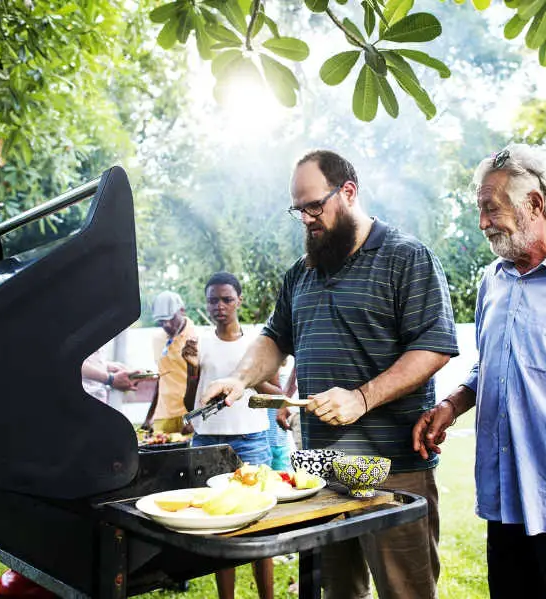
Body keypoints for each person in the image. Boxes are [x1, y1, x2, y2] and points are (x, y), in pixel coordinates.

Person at [199, 150, 459, 599]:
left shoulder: (407, 257)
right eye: (298, 209)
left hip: (392, 468)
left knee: (406, 591)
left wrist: (361, 398)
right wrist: (240, 378)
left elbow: (433, 346)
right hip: (319, 470)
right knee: (337, 592)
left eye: (314, 206)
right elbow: (274, 340)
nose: (306, 219)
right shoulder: (301, 274)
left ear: (349, 192)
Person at [413, 143, 546, 598]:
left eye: (491, 209)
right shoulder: (493, 279)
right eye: (480, 210)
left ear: (535, 203)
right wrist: (451, 404)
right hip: (505, 499)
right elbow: (492, 363)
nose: (483, 223)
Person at [182, 271, 280, 599]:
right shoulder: (199, 344)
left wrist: (244, 378)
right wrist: (193, 368)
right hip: (208, 441)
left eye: (226, 299)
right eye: (213, 300)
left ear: (239, 300)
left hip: (250, 440)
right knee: (218, 525)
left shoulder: (257, 344)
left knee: (258, 523)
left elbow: (275, 390)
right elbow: (189, 404)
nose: (219, 306)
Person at [142, 291, 196, 434]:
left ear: (182, 310)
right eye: (161, 321)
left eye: (170, 319)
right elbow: (161, 378)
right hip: (163, 416)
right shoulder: (157, 340)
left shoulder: (196, 337)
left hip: (189, 416)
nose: (166, 324)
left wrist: (195, 417)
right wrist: (149, 417)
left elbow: (202, 380)